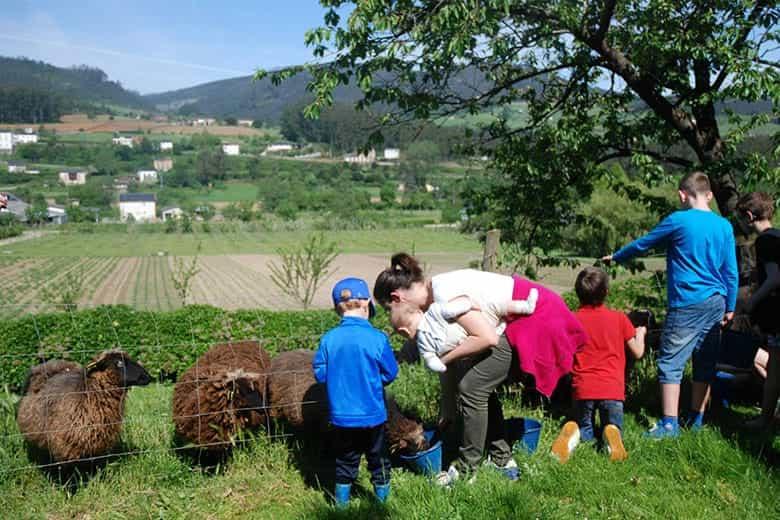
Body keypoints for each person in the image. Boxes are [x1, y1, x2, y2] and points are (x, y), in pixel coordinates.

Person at [604, 171, 738, 438]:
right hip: (716, 302)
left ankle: (669, 425)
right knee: (705, 362)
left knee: (670, 362)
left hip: (687, 302)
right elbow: (731, 272)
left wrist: (617, 256)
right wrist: (730, 306)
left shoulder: (678, 220)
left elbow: (643, 245)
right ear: (710, 195)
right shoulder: (724, 226)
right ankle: (696, 420)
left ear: (682, 195)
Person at [312, 277, 399, 508]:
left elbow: (320, 374)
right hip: (373, 415)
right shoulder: (377, 338)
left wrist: (337, 382)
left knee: (345, 460)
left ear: (337, 309)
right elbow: (390, 372)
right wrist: (372, 381)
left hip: (341, 417)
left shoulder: (328, 339)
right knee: (378, 458)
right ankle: (381, 505)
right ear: (367, 303)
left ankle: (341, 507)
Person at [551, 267, 646, 463]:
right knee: (612, 426)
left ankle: (573, 431)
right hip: (612, 389)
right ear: (606, 292)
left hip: (582, 387)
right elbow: (637, 352)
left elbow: (562, 355)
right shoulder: (619, 318)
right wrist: (641, 334)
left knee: (584, 429)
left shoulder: (572, 320)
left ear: (578, 293)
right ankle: (611, 431)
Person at [392, 290, 539, 372]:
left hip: (456, 344)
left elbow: (431, 360)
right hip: (457, 333)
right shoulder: (433, 311)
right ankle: (525, 307)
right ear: (419, 312)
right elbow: (451, 310)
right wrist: (469, 303)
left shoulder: (422, 344)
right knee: (493, 306)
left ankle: (499, 327)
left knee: (478, 335)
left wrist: (440, 365)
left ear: (405, 331)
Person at [736, 192, 780, 429]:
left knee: (774, 370)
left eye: (740, 219)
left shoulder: (765, 241)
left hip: (777, 316)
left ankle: (765, 419)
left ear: (749, 216)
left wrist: (752, 301)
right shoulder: (778, 236)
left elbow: (774, 278)